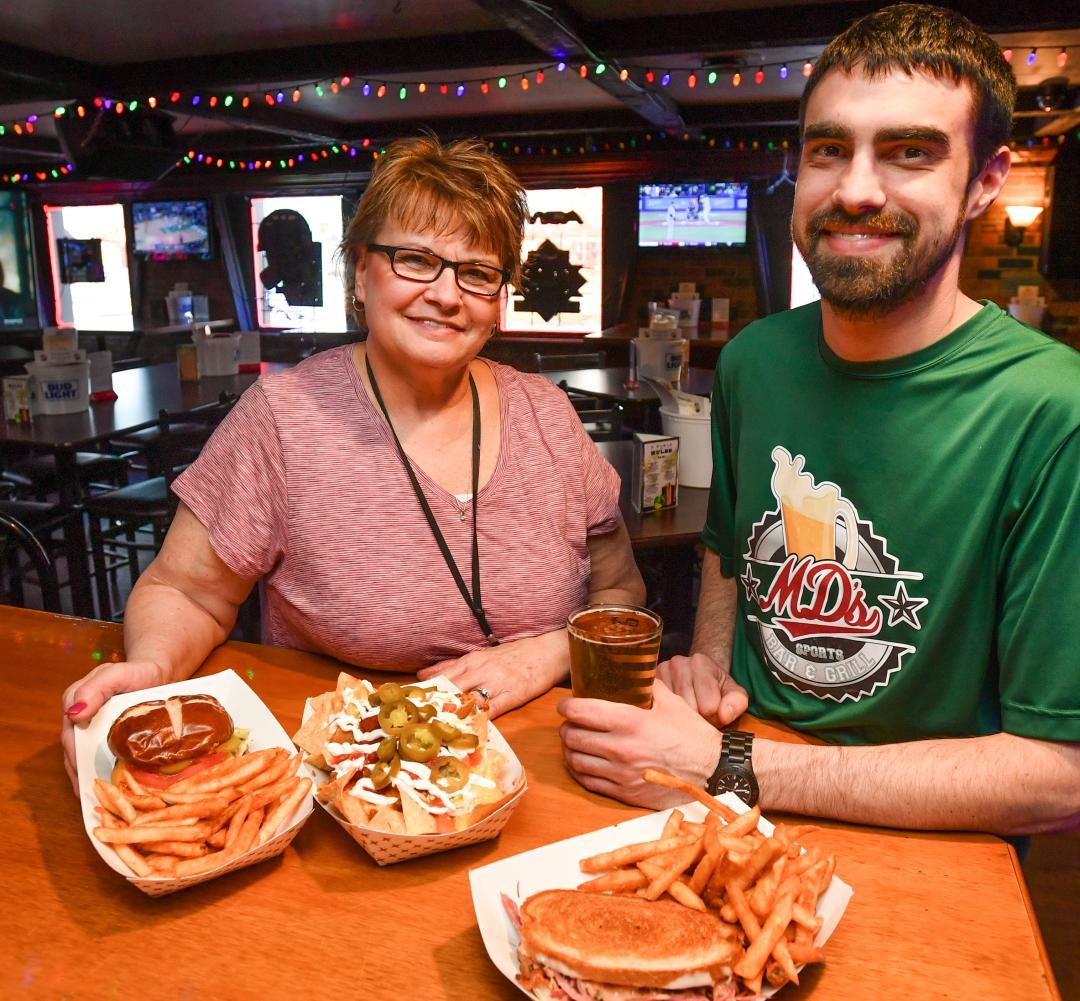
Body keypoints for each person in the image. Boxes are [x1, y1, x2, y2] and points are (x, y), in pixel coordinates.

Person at [559, 3, 1080, 838]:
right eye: (828, 150)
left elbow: (1058, 775)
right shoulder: (755, 360)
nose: (855, 190)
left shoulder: (1067, 413)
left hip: (920, 838)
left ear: (987, 180)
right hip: (723, 805)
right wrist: (710, 667)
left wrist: (732, 767)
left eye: (910, 151)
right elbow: (729, 561)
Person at [62, 136, 645, 790]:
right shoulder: (282, 418)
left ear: (498, 297)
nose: (448, 294)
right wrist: (150, 667)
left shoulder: (549, 417)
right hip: (345, 787)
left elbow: (621, 594)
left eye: (477, 271)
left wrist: (546, 652)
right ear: (361, 271)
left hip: (548, 776)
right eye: (415, 259)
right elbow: (186, 591)